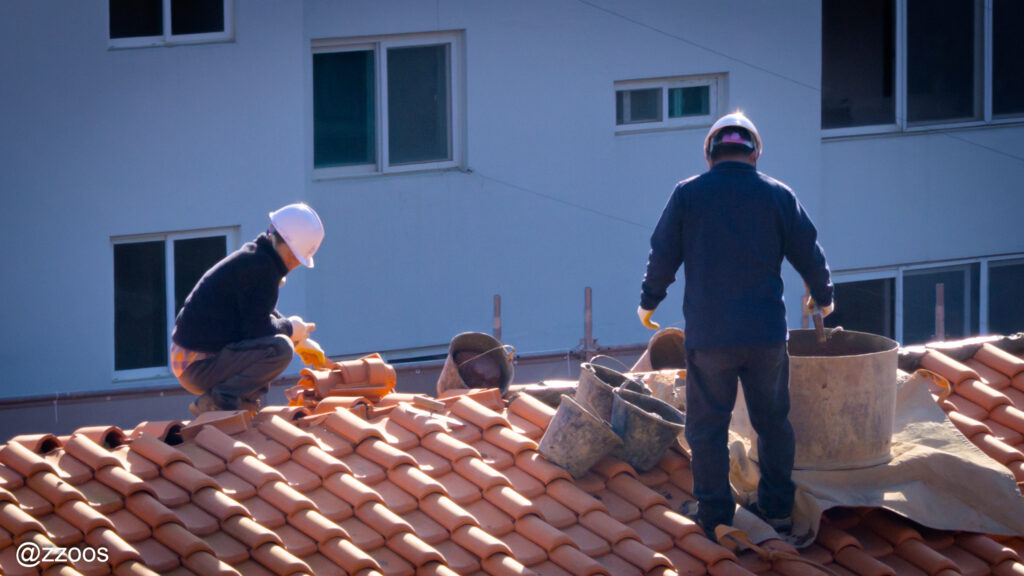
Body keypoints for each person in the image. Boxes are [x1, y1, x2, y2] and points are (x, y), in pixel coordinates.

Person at [637, 112, 834, 540]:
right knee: (773, 423)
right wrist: (824, 295)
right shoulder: (779, 196)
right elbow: (810, 253)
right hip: (766, 337)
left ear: (710, 154)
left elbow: (663, 253)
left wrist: (649, 301)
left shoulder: (688, 194)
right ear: (755, 153)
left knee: (708, 428)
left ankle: (714, 514)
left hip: (711, 339)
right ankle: (779, 509)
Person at [171, 203, 325, 416]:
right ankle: (220, 403)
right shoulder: (261, 268)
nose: (295, 265)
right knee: (280, 350)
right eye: (295, 258)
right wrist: (290, 330)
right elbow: (258, 330)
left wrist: (299, 338)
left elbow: (260, 314)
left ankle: (243, 406)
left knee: (278, 344)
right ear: (286, 244)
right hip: (199, 365)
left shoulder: (256, 259)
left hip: (195, 362)